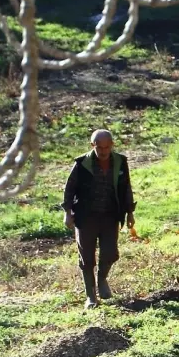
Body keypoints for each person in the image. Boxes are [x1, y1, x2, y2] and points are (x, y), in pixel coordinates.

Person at [62, 129, 136, 309]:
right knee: (86, 258)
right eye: (99, 147)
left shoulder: (120, 161)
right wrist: (67, 212)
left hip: (110, 215)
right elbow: (69, 189)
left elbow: (126, 187)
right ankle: (91, 296)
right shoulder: (82, 163)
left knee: (110, 253)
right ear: (92, 145)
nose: (103, 151)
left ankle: (102, 279)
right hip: (85, 217)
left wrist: (130, 213)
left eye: (107, 147)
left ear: (112, 145)